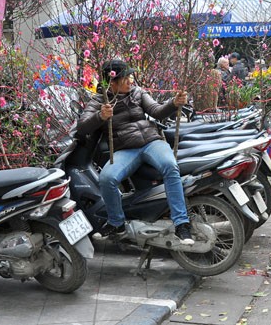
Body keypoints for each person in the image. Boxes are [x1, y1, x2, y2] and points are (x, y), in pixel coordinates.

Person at [77, 59, 194, 244]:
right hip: (125, 150)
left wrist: (173, 103)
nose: (131, 80)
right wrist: (100, 116)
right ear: (112, 82)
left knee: (170, 166)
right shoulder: (99, 101)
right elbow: (82, 127)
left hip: (151, 142)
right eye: (126, 77)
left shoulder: (138, 93)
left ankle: (181, 223)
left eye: (130, 76)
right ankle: (117, 222)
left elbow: (156, 111)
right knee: (106, 178)